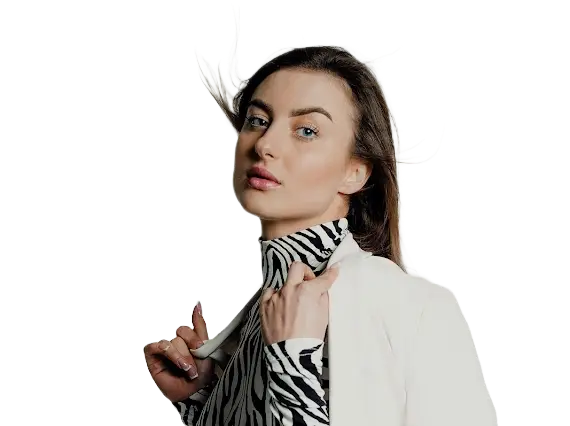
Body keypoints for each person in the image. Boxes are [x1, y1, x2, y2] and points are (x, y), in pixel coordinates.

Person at [143, 32, 497, 426]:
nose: (265, 144)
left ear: (355, 172)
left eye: (306, 130)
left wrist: (292, 358)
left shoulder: (407, 304)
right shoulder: (265, 312)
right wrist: (210, 400)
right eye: (258, 120)